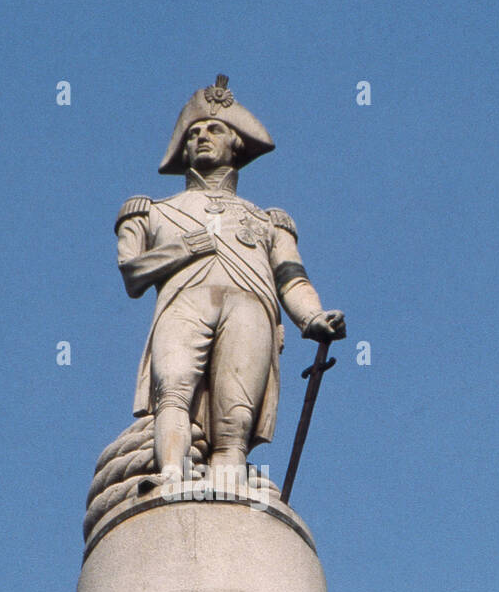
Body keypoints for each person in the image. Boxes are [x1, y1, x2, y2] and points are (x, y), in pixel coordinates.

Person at [116, 76, 345, 492]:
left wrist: (312, 318)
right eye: (193, 133)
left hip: (251, 306)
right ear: (183, 149)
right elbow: (132, 273)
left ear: (236, 143)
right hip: (183, 303)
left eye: (214, 129)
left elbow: (291, 278)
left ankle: (231, 491)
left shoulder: (268, 220)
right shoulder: (152, 212)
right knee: (173, 390)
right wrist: (185, 248)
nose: (202, 137)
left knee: (234, 417)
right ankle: (171, 477)